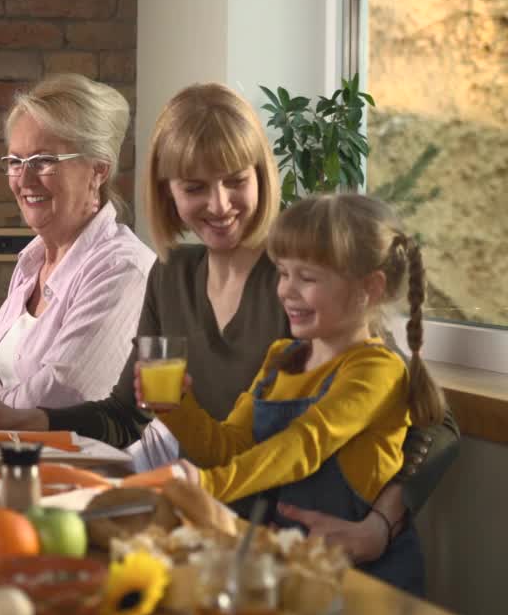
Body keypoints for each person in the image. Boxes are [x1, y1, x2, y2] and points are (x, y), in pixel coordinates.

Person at [0, 83, 458, 565]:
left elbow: (435, 423)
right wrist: (37, 422)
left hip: (314, 545)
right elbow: (127, 415)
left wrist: (378, 528)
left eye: (236, 180)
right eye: (195, 187)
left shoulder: (307, 282)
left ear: (261, 175)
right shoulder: (171, 276)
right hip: (220, 535)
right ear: (168, 191)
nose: (218, 205)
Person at [155, 193, 444, 593]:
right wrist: (176, 409)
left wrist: (208, 486)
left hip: (365, 581)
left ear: (370, 289)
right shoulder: (281, 359)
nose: (286, 291)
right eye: (283, 273)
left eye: (306, 278)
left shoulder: (376, 370)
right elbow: (231, 445)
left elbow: (304, 444)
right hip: (301, 568)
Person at [0, 74, 155, 408]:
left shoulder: (123, 270)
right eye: (15, 162)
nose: (24, 179)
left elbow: (61, 395)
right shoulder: (32, 263)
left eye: (43, 161)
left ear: (98, 170)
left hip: (85, 459)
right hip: (16, 450)